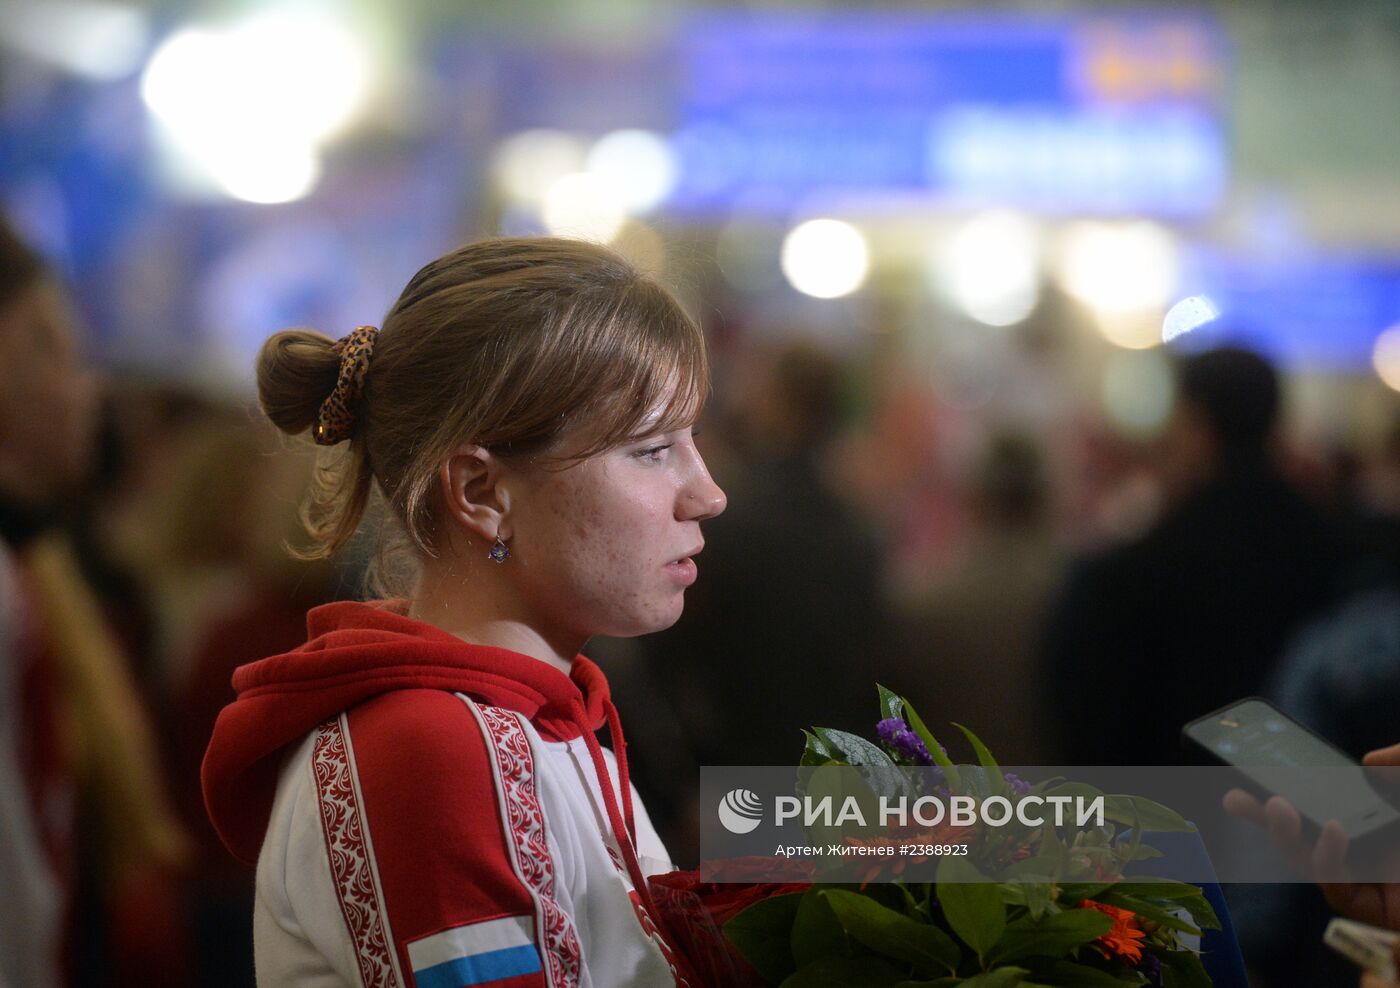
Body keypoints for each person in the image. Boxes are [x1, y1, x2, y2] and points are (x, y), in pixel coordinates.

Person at [201, 237, 727, 986]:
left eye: (693, 439)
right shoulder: (431, 748)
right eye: (650, 449)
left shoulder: (536, 716)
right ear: (481, 493)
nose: (708, 494)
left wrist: (924, 834)